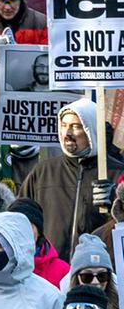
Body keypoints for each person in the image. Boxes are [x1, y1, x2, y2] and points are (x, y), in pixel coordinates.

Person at [20, 99, 123, 262]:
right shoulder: (43, 171)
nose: (67, 133)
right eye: (63, 125)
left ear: (92, 130)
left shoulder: (117, 173)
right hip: (52, 271)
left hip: (97, 273)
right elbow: (21, 218)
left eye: (76, 126)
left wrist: (117, 205)